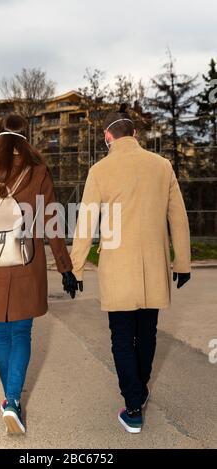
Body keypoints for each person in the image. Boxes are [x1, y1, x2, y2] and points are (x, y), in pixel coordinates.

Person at [70, 104, 191, 434]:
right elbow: (178, 218)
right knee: (148, 333)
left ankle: (134, 405)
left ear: (108, 136)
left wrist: (75, 268)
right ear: (135, 134)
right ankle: (142, 387)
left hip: (117, 270)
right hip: (153, 269)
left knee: (122, 338)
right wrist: (182, 262)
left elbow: (86, 223)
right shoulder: (162, 166)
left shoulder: (100, 171)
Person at [0, 114, 78, 434]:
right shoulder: (38, 170)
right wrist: (65, 268)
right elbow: (52, 222)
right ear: (26, 137)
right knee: (21, 334)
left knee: (1, 334)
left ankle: (9, 399)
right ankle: (12, 400)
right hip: (27, 263)